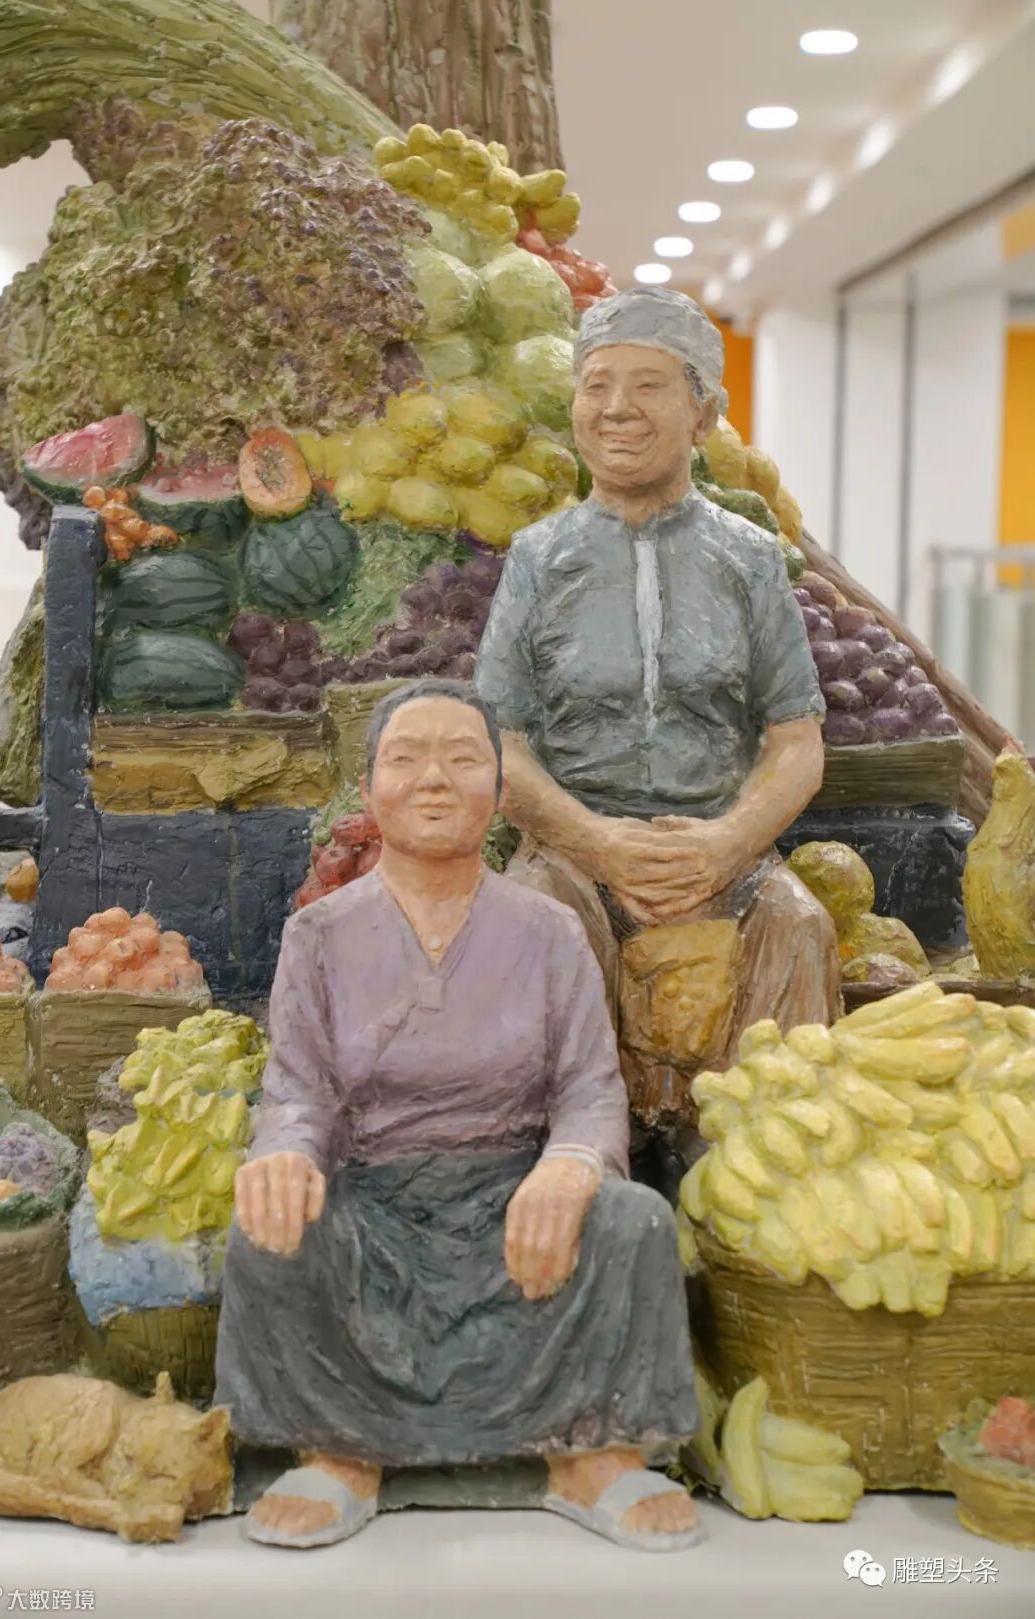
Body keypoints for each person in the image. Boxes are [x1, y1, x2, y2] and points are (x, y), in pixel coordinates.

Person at [213, 679, 702, 1553]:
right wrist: (285, 1153)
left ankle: (591, 1449)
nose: (434, 778)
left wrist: (569, 1168)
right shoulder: (319, 936)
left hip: (516, 1202)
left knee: (635, 1222)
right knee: (272, 1230)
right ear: (369, 791)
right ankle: (339, 1448)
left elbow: (589, 1091)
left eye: (463, 758)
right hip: (377, 1205)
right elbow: (299, 1093)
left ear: (500, 791)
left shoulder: (550, 931)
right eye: (406, 758)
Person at [474, 287, 840, 1168]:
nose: (616, 409)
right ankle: (573, 1179)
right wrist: (596, 842)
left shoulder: (749, 558)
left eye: (648, 386)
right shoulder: (538, 558)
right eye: (597, 386)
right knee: (535, 924)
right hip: (574, 855)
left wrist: (726, 845)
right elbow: (499, 746)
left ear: (703, 412)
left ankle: (760, 1185)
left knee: (800, 927)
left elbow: (797, 740)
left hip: (723, 854)